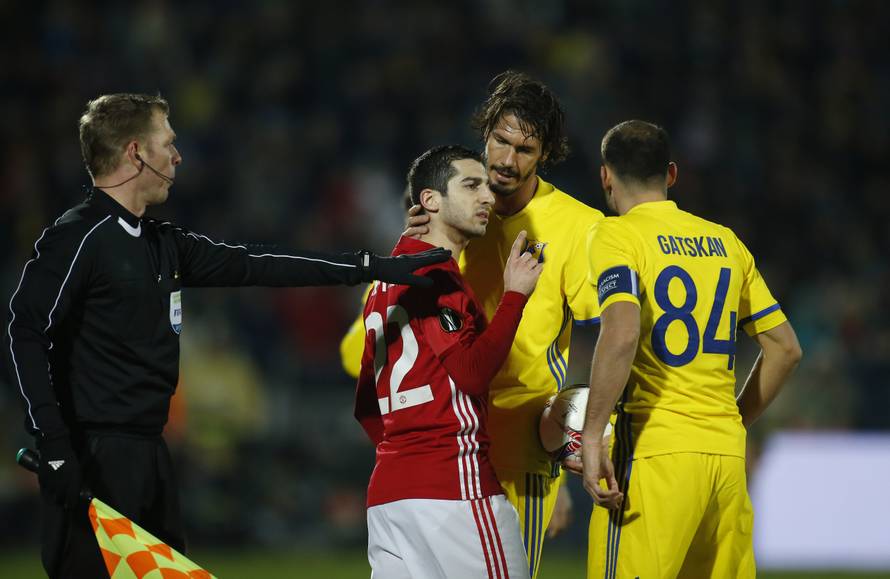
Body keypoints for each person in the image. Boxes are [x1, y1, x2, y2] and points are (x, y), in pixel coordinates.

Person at [3, 93, 449, 579]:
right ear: (135, 153)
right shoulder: (77, 236)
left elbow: (257, 264)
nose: (177, 156)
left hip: (151, 457)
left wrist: (370, 265)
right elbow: (26, 331)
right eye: (167, 144)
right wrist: (55, 445)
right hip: (91, 456)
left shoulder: (161, 242)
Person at [400, 71, 605, 577]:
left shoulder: (579, 227)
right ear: (485, 133)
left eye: (526, 149)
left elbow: (609, 330)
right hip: (442, 443)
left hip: (519, 449)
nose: (507, 161)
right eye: (500, 141)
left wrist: (573, 437)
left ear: (547, 153)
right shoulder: (452, 210)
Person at [578, 120, 803, 578]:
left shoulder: (617, 235)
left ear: (605, 175)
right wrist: (732, 420)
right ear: (672, 174)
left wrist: (590, 434)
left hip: (654, 453)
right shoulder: (726, 243)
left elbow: (620, 333)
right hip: (726, 458)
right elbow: (785, 349)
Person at [355, 145, 540, 578]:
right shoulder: (438, 276)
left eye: (487, 188)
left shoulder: (383, 285)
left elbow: (367, 406)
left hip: (389, 497)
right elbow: (472, 373)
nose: (487, 198)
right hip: (454, 486)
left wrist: (405, 454)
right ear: (431, 200)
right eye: (471, 185)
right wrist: (515, 295)